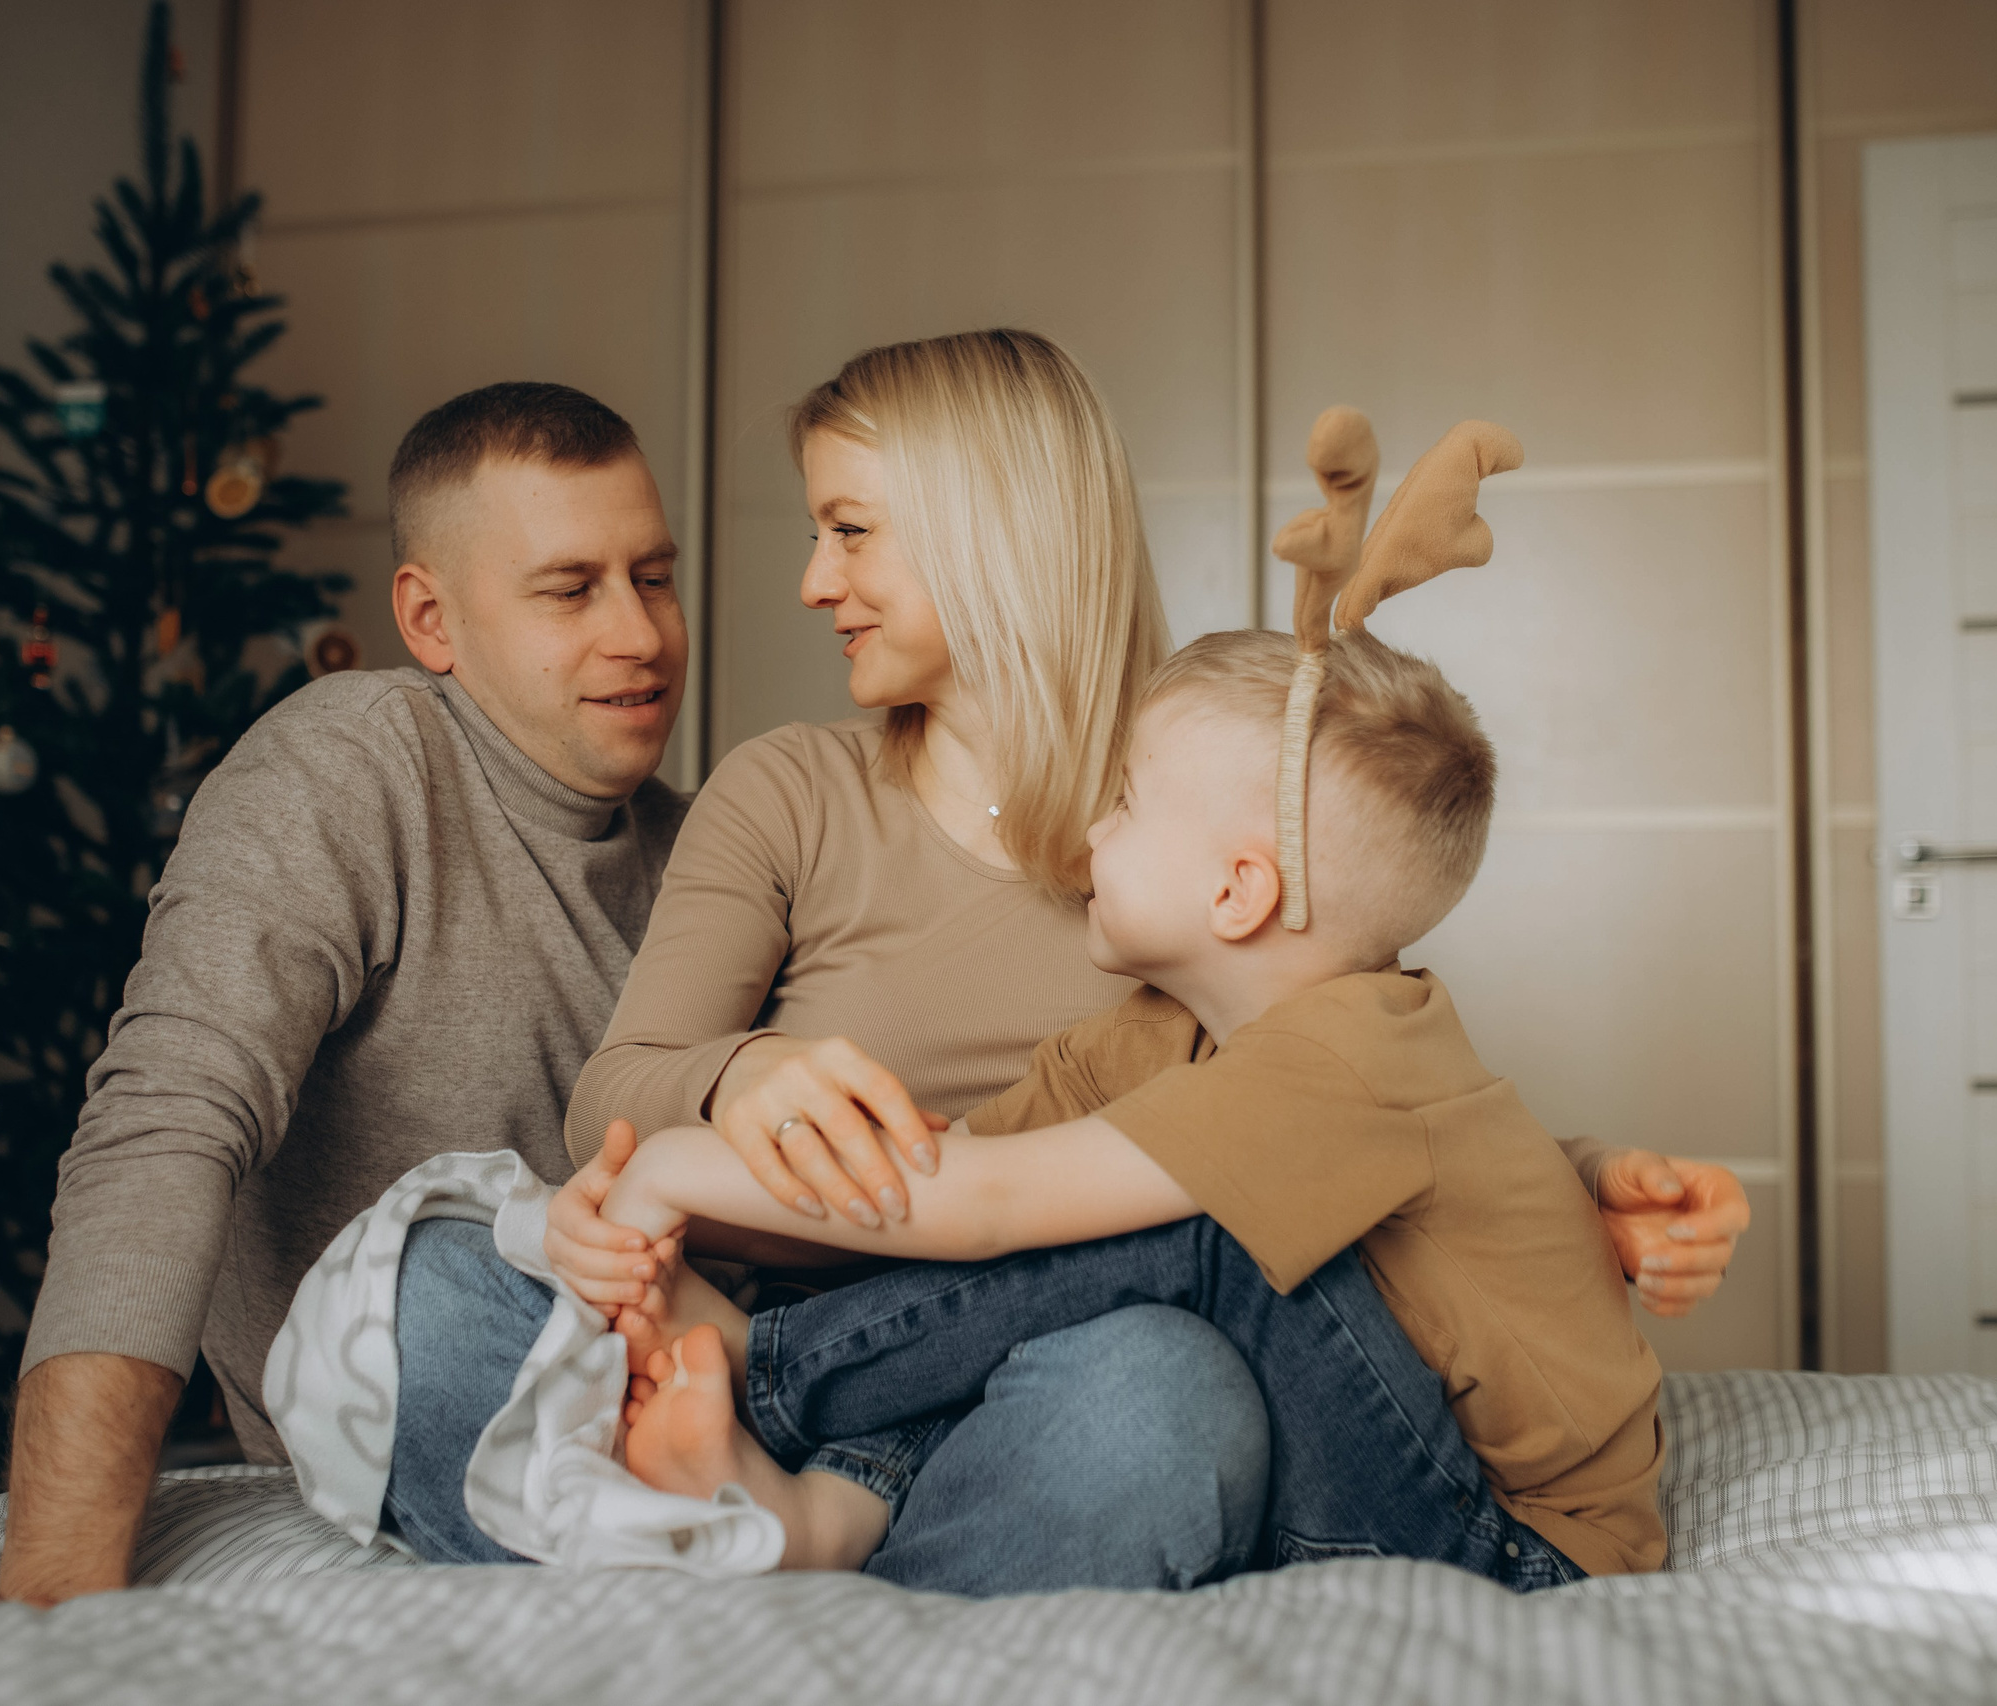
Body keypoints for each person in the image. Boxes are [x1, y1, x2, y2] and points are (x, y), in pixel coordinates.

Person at [397, 331, 1750, 1595]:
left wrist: (1572, 1185)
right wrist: (738, 1093)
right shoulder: (805, 793)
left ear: (986, 535)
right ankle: (797, 1518)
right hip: (866, 1319)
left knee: (1162, 1370)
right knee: (435, 1277)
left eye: (851, 531)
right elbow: (663, 1114)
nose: (814, 579)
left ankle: (782, 1502)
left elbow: (1331, 1120)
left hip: (1047, 1384)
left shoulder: (1202, 787)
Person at [593, 621, 1666, 1590]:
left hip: (1516, 1545)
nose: (1089, 832)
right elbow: (944, 1174)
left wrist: (666, 1173)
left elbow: (990, 1200)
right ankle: (833, 1502)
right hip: (1362, 1452)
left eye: (1126, 802)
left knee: (1205, 1231)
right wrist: (702, 1212)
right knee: (1044, 1260)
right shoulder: (1156, 1034)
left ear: (1235, 892)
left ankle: (774, 1375)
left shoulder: (1349, 1056)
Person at [0, 382, 692, 1609]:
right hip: (425, 1393)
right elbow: (166, 1121)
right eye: (570, 587)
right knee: (435, 1287)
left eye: (653, 576)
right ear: (430, 619)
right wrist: (53, 1579)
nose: (641, 634)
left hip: (691, 1404)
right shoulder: (348, 766)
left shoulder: (704, 849)